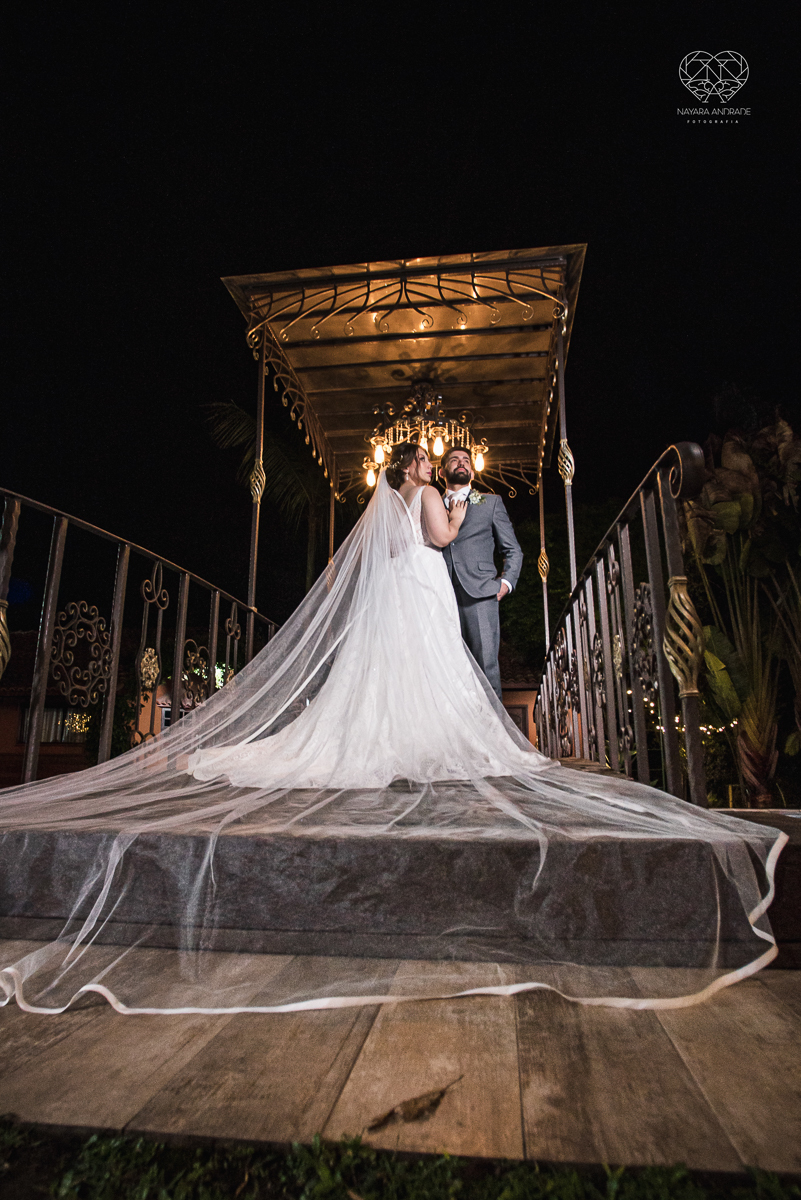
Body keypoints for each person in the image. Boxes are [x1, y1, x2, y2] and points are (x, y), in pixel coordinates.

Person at [438, 446, 523, 700]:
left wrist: (505, 583)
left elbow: (513, 550)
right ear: (442, 472)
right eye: (454, 460)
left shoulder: (490, 502)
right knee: (445, 672)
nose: (461, 463)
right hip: (439, 596)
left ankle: (492, 724)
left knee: (486, 670)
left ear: (472, 473)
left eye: (466, 460)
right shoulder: (431, 504)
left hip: (481, 595)